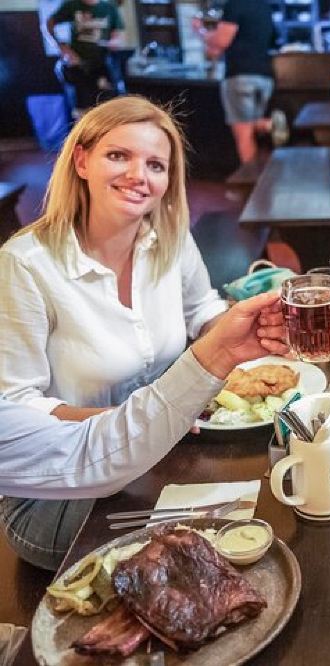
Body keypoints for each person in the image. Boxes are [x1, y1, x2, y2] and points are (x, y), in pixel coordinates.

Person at [0, 95, 228, 570]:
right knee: (205, 548)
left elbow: (203, 310)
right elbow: (15, 405)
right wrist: (134, 422)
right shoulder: (26, 264)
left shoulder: (170, 237)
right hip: (57, 490)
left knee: (242, 517)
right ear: (82, 161)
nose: (138, 175)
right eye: (119, 155)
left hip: (161, 455)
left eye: (155, 165)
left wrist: (253, 328)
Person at [0, 292, 285, 528]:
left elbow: (87, 452)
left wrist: (226, 348)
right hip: (47, 497)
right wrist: (155, 413)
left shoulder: (168, 244)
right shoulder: (23, 261)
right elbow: (84, 457)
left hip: (136, 447)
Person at [195, 0, 287, 164]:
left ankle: (252, 180)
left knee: (244, 135)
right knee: (252, 128)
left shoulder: (235, 4)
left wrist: (199, 31)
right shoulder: (264, 6)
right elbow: (274, 39)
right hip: (265, 76)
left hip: (240, 76)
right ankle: (268, 124)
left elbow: (221, 41)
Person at [46, 0, 125, 118]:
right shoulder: (71, 5)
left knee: (110, 107)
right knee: (81, 111)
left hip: (102, 65)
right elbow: (49, 23)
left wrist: (113, 43)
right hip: (78, 67)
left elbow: (117, 36)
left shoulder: (109, 7)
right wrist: (62, 47)